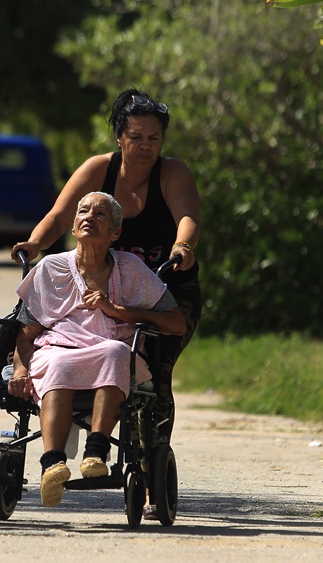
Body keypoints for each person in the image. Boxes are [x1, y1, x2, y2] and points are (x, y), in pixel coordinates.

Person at [12, 88, 201, 448]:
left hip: (164, 287)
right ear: (119, 138)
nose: (145, 146)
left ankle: (147, 468)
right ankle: (65, 436)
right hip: (99, 278)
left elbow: (188, 216)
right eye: (135, 137)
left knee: (153, 373)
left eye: (153, 138)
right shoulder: (99, 169)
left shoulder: (172, 173)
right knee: (74, 347)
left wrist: (182, 247)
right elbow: (58, 215)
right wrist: (35, 244)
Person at [7, 192, 186, 508]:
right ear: (73, 227)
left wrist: (119, 311)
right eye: (83, 212)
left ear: (116, 233)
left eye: (100, 214)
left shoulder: (131, 269)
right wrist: (21, 369)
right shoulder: (50, 268)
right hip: (57, 349)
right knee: (60, 362)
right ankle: (52, 465)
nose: (89, 217)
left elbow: (176, 323)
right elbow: (25, 335)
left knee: (116, 352)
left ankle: (96, 451)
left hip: (111, 352)